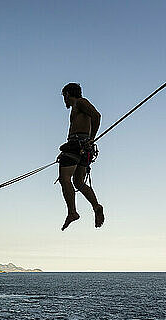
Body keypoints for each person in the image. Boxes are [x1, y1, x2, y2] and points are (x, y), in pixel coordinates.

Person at [58, 83, 104, 231]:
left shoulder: (80, 102)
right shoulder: (76, 107)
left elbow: (96, 116)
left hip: (77, 145)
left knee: (64, 178)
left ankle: (72, 212)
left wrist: (92, 138)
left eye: (64, 96)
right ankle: (96, 207)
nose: (64, 100)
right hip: (82, 147)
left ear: (67, 94)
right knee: (78, 182)